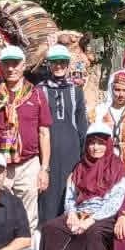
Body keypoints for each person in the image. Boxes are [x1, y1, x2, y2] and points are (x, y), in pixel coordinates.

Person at [37, 126, 125, 250]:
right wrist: (71, 214)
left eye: (100, 143)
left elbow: (114, 202)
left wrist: (90, 220)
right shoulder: (80, 167)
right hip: (79, 212)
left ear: (108, 144)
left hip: (103, 215)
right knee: (51, 228)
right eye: (92, 143)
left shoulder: (117, 167)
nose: (95, 147)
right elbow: (71, 196)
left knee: (93, 233)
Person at [0, 45, 52, 243]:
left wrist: (44, 169)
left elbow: (44, 132)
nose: (11, 68)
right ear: (0, 67)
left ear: (23, 66)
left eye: (15, 64)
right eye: (7, 64)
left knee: (28, 215)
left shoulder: (36, 95)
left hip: (28, 164)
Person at [37, 44, 89, 228]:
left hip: (72, 151)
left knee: (70, 193)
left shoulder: (76, 90)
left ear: (68, 64)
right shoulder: (39, 90)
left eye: (62, 62)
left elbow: (82, 122)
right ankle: (46, 240)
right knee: (47, 196)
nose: (58, 66)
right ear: (48, 65)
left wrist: (86, 155)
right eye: (54, 62)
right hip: (47, 151)